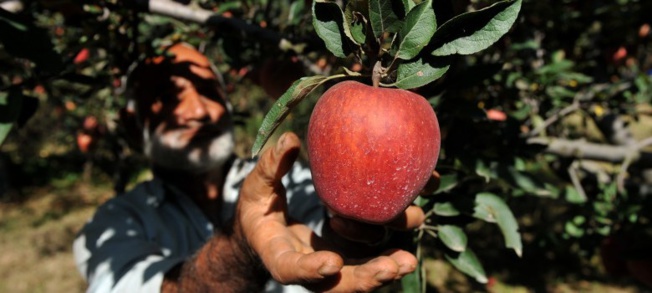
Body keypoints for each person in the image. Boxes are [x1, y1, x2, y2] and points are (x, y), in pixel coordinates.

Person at [73, 43, 434, 293]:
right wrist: (241, 245)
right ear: (134, 127)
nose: (199, 111)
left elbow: (330, 232)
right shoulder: (114, 224)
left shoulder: (289, 182)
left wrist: (356, 235)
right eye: (167, 97)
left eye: (208, 91)